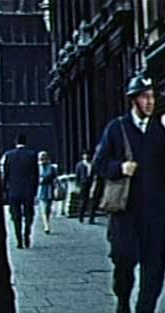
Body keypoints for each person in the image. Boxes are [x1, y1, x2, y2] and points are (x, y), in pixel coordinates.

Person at [93, 74, 165, 313]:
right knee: (123, 262)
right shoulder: (117, 128)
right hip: (125, 214)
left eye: (152, 96)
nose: (150, 102)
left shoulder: (160, 130)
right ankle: (122, 302)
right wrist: (119, 168)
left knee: (154, 268)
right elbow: (99, 164)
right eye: (145, 97)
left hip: (156, 214)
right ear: (133, 100)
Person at [2, 134, 39, 249]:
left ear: (15, 142)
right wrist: (34, 190)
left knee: (16, 217)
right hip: (28, 191)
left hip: (14, 191)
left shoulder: (9, 155)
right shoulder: (32, 155)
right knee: (29, 214)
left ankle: (19, 240)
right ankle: (27, 233)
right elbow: (35, 175)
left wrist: (4, 190)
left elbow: (6, 174)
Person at [36, 151, 57, 234]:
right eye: (41, 157)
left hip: (49, 189)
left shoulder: (51, 167)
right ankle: (46, 225)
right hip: (41, 189)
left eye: (44, 157)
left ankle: (47, 220)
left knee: (48, 207)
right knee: (44, 207)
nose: (42, 159)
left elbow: (54, 178)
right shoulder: (37, 167)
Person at [75, 150, 95, 224]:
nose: (86, 156)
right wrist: (77, 185)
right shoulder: (79, 165)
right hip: (83, 184)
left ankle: (91, 218)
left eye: (87, 155)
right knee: (83, 200)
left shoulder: (92, 164)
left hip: (91, 183)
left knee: (92, 201)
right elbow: (77, 176)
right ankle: (81, 217)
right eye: (84, 155)